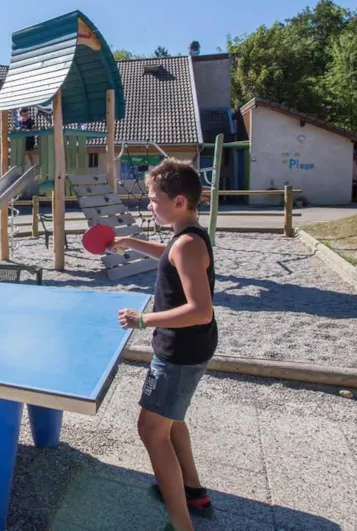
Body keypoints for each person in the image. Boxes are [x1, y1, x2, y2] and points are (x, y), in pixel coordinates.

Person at [112, 158, 217, 531]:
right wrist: (130, 242)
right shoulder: (185, 234)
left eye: (155, 199)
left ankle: (180, 523)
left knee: (150, 430)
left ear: (180, 201)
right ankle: (193, 492)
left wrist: (144, 320)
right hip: (191, 348)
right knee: (171, 422)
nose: (149, 205)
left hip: (179, 352)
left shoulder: (187, 244)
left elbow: (200, 310)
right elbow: (167, 255)